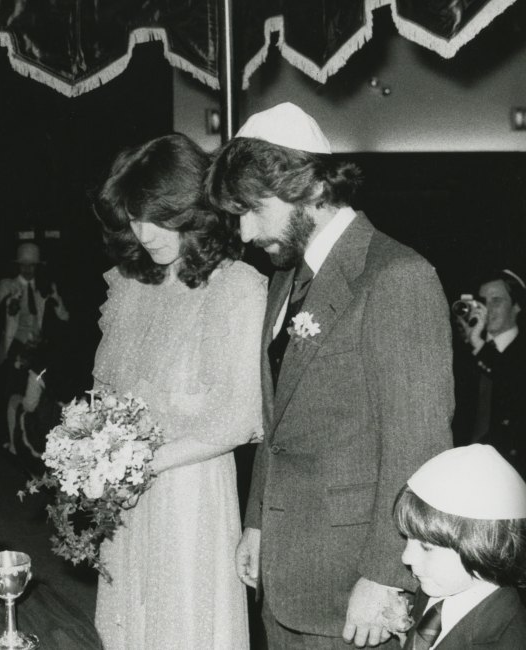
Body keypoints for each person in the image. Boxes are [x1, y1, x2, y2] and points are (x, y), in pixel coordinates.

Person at [207, 102, 454, 648]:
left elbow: (419, 444)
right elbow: (281, 425)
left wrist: (386, 573)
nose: (244, 233)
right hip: (285, 578)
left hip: (354, 590)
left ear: (307, 188)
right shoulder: (284, 278)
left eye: (252, 209)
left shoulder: (397, 277)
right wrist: (258, 522)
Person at [90, 133, 265, 649]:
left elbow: (238, 416)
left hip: (190, 494)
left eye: (154, 215)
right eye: (132, 218)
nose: (143, 233)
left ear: (190, 205)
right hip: (123, 496)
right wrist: (92, 453)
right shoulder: (131, 285)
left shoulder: (236, 287)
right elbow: (105, 390)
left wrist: (142, 464)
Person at [394, 444, 526, 649]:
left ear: (483, 549)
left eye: (426, 547)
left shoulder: (509, 641)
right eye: (407, 538)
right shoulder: (433, 590)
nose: (406, 557)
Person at [0, 242, 69, 451]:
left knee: (33, 396)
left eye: (32, 266)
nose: (28, 269)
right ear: (18, 266)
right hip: (15, 347)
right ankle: (11, 440)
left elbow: (64, 316)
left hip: (37, 348)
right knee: (12, 393)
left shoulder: (43, 286)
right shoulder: (9, 284)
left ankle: (32, 437)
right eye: (24, 265)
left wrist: (56, 298)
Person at [452, 268, 526, 473]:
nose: (488, 308)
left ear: (517, 305)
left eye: (497, 300)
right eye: (482, 301)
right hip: (468, 466)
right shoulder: (468, 354)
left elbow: (512, 384)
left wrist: (478, 345)